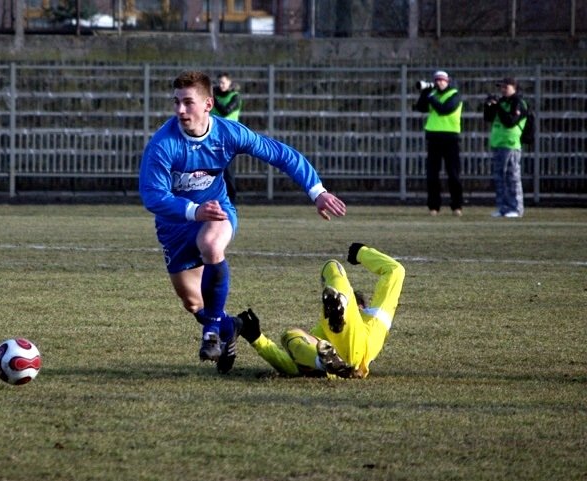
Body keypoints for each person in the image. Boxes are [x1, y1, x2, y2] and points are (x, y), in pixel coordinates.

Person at [138, 70, 347, 374]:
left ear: (208, 104)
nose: (180, 110)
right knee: (194, 304)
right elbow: (152, 196)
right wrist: (194, 211)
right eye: (176, 103)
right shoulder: (163, 144)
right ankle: (230, 326)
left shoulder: (228, 133)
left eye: (188, 102)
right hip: (175, 225)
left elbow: (279, 154)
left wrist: (317, 191)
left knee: (210, 244)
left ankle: (211, 333)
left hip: (218, 212)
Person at [237, 243, 405, 379]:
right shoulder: (375, 318)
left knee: (332, 265)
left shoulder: (373, 316)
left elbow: (396, 271)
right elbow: (292, 366)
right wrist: (257, 339)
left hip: (354, 350)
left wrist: (361, 252)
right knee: (290, 336)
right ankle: (324, 362)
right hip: (339, 368)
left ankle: (341, 304)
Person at [413, 70, 464, 217]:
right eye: (437, 80)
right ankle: (433, 207)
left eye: (442, 80)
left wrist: (430, 96)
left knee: (453, 174)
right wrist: (424, 92)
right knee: (432, 175)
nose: (439, 83)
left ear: (447, 81)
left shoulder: (454, 94)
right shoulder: (431, 95)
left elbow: (444, 109)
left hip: (451, 139)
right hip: (434, 138)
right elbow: (420, 107)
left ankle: (457, 206)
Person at [483, 77, 527, 218]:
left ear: (514, 88)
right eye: (501, 87)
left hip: (510, 144)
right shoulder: (502, 102)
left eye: (505, 87)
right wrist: (488, 105)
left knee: (512, 177)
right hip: (498, 143)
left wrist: (497, 107)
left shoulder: (518, 102)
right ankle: (503, 208)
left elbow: (510, 121)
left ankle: (516, 208)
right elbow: (488, 118)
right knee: (500, 178)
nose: (502, 90)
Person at [210, 72, 242, 203]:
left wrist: (213, 98)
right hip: (213, 136)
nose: (221, 85)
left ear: (229, 83)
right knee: (210, 169)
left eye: (223, 82)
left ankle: (231, 201)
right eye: (219, 82)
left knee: (227, 171)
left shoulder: (235, 97)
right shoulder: (211, 96)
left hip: (229, 138)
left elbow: (225, 111)